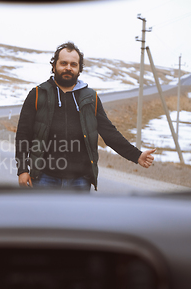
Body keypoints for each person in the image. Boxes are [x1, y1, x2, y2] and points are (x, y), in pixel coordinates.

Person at [15, 42, 155, 191]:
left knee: (77, 216)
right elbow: (23, 135)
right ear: (54, 65)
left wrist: (136, 155)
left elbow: (109, 132)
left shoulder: (90, 98)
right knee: (44, 215)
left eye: (73, 64)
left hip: (79, 181)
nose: (68, 67)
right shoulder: (38, 94)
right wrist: (23, 170)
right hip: (44, 177)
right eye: (63, 63)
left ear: (79, 69)